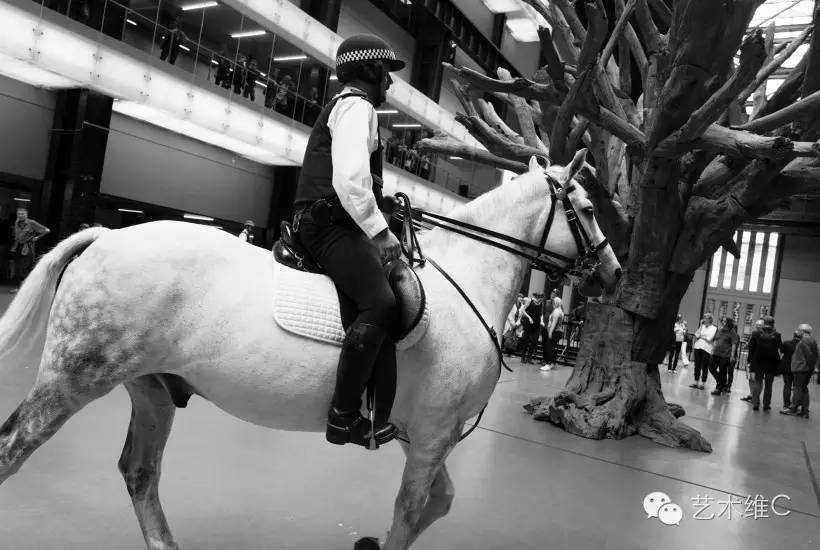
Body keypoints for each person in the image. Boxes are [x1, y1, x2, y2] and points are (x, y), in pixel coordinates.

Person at [291, 34, 405, 449]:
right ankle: (343, 418)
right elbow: (349, 181)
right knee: (382, 303)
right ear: (371, 70)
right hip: (329, 228)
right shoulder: (358, 106)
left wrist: (383, 207)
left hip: (329, 222)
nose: (390, 84)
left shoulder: (346, 106)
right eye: (387, 73)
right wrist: (381, 230)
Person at [9, 207, 50, 293]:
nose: (20, 215)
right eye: (19, 214)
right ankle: (19, 287)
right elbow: (16, 234)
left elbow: (46, 230)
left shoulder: (31, 223)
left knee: (23, 268)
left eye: (22, 214)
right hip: (18, 247)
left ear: (26, 214)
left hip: (27, 248)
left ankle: (26, 288)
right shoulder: (17, 223)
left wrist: (36, 238)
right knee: (18, 268)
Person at [747, 316, 783, 412]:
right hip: (771, 364)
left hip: (758, 362)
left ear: (764, 323)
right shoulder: (777, 335)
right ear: (773, 324)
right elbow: (781, 348)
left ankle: (756, 404)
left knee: (757, 383)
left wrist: (750, 360)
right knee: (769, 385)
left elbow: (751, 348)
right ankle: (766, 405)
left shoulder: (756, 334)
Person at [782, 324, 818, 418]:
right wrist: (812, 368)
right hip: (806, 369)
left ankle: (793, 408)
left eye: (799, 330)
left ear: (803, 331)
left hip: (801, 368)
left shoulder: (804, 341)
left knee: (798, 388)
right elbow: (815, 355)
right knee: (804, 388)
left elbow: (809, 356)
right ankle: (805, 410)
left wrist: (810, 367)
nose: (798, 331)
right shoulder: (813, 340)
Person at [708, 318, 739, 395]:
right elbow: (716, 340)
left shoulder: (732, 332)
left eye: (725, 321)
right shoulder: (720, 330)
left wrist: (732, 356)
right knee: (711, 368)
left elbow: (734, 344)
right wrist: (713, 349)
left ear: (728, 323)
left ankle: (718, 389)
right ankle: (723, 384)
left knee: (722, 370)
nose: (723, 322)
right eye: (723, 321)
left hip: (726, 355)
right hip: (716, 353)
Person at [689, 313, 716, 390]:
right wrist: (701, 325)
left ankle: (703, 383)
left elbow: (709, 338)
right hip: (698, 347)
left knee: (704, 366)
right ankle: (696, 382)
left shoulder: (713, 328)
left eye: (706, 318)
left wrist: (702, 336)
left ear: (710, 319)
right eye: (704, 318)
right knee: (697, 365)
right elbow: (697, 335)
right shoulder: (702, 326)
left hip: (707, 349)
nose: (704, 319)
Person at [779, 330, 801, 413]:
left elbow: (781, 351)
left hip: (786, 368)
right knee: (796, 387)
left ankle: (786, 404)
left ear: (793, 335)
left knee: (787, 386)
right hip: (797, 368)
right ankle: (794, 405)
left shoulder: (786, 343)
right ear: (801, 336)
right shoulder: (801, 345)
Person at [541, 297, 565, 372]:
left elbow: (554, 323)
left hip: (555, 332)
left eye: (553, 302)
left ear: (556, 303)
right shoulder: (559, 311)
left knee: (549, 347)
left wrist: (550, 332)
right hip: (557, 332)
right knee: (552, 347)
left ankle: (548, 364)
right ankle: (553, 363)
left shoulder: (556, 312)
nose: (552, 304)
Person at [520, 294, 544, 364]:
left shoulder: (541, 304)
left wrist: (541, 321)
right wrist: (529, 317)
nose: (541, 300)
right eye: (540, 298)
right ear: (538, 297)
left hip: (536, 324)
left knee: (534, 341)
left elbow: (541, 314)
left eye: (542, 299)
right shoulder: (530, 301)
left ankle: (529, 358)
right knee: (526, 340)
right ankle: (523, 357)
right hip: (529, 323)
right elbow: (523, 310)